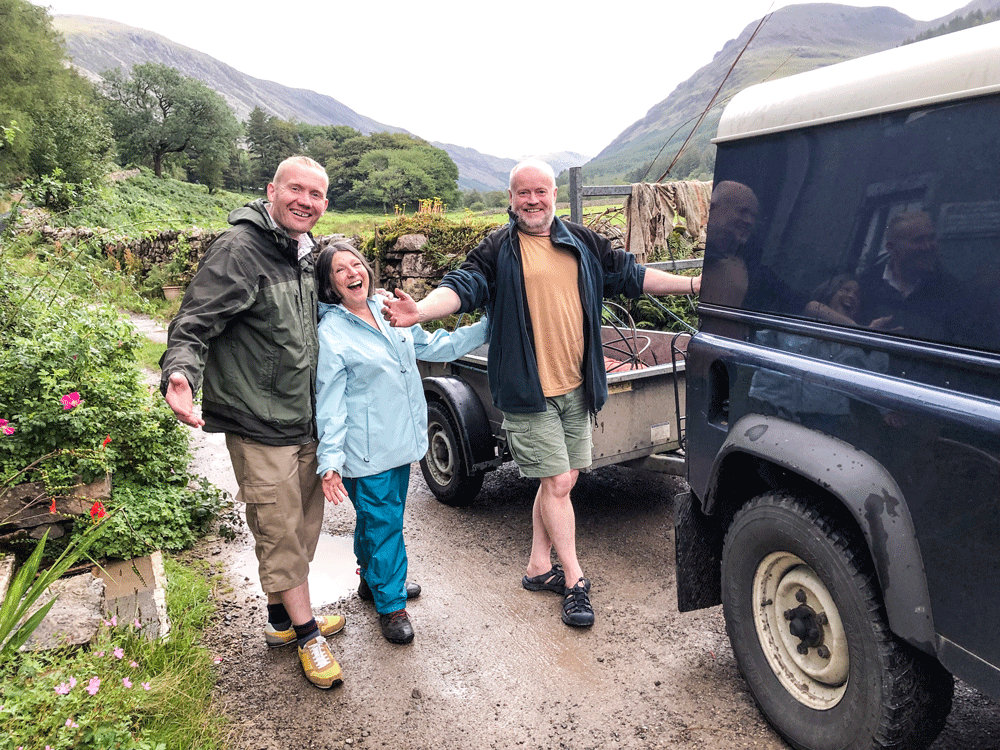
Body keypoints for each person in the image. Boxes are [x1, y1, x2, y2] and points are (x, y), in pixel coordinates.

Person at [382, 158, 699, 628]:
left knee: (561, 482)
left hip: (578, 386)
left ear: (553, 195)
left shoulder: (582, 241)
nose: (532, 200)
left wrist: (693, 283)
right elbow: (463, 287)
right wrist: (421, 312)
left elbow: (632, 276)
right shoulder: (497, 249)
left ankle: (537, 565)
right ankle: (573, 579)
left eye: (540, 191)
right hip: (528, 390)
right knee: (556, 484)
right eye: (523, 193)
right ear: (511, 199)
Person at [160, 156, 344, 689]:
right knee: (279, 529)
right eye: (295, 189)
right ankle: (308, 635)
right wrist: (180, 373)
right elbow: (193, 321)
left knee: (303, 526)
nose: (305, 201)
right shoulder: (240, 249)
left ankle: (281, 620)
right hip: (257, 419)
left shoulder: (304, 252)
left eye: (315, 194)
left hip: (302, 418)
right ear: (271, 190)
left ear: (324, 203)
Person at [314, 242, 488, 644]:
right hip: (365, 453)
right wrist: (330, 462)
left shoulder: (387, 309)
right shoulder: (332, 333)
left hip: (401, 443)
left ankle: (373, 578)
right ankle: (391, 606)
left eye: (356, 264)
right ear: (329, 284)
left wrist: (487, 328)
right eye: (340, 270)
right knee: (385, 524)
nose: (352, 272)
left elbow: (435, 346)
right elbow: (330, 404)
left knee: (375, 520)